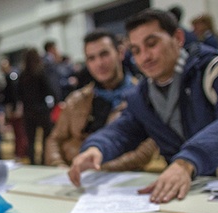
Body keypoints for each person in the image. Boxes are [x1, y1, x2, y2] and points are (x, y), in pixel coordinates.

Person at [69, 9, 218, 203]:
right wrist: (95, 148)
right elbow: (122, 130)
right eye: (136, 50)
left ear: (178, 38)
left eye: (152, 44)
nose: (145, 57)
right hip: (190, 192)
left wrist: (188, 161)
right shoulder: (142, 96)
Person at [45, 29, 159, 171]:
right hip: (77, 177)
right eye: (91, 58)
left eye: (104, 54)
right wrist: (59, 166)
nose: (99, 63)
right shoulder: (77, 100)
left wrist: (98, 168)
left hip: (122, 177)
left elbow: (145, 150)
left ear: (120, 53)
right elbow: (55, 139)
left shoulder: (143, 96)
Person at [17, 48, 56, 165]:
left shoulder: (22, 75)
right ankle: (44, 161)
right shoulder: (40, 73)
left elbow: (19, 94)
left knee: (31, 140)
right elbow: (49, 90)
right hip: (42, 110)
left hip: (28, 111)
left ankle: (33, 162)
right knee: (46, 138)